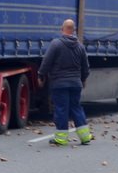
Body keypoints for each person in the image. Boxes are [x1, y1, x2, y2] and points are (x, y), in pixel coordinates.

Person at [37, 18, 93, 146]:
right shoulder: (80, 47)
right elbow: (86, 67)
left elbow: (47, 62)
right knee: (76, 107)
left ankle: (61, 138)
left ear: (62, 30)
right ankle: (85, 137)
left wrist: (41, 75)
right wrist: (83, 79)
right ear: (73, 31)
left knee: (61, 109)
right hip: (75, 83)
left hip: (59, 83)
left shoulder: (56, 44)